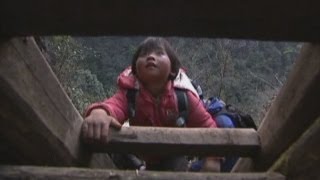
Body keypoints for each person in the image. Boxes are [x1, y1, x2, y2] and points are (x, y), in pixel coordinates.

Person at [81, 37, 220, 172]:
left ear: (172, 69)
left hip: (172, 154)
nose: (151, 57)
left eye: (159, 53)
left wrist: (213, 159)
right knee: (115, 150)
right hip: (138, 153)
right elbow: (114, 106)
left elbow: (207, 126)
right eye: (144, 54)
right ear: (135, 69)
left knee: (175, 169)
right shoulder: (130, 94)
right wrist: (100, 112)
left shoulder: (183, 97)